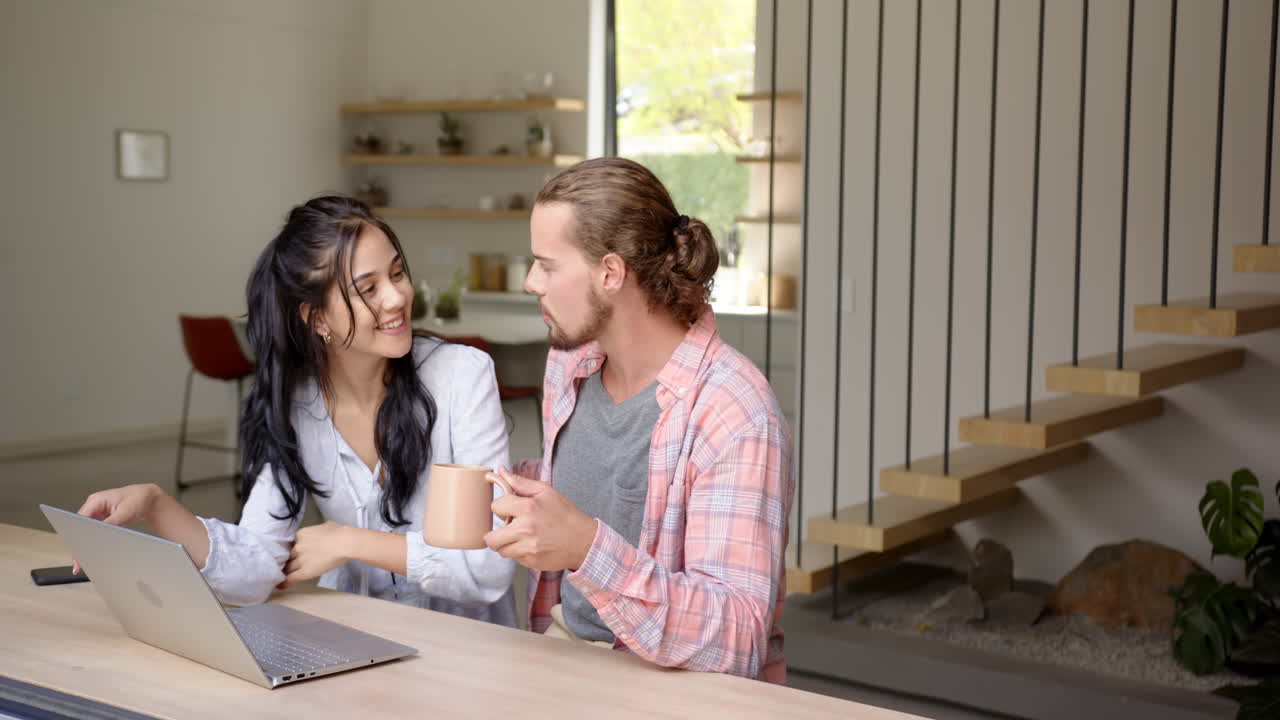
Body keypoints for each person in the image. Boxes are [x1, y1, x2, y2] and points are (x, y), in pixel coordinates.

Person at [76, 196, 516, 625]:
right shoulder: (297, 405)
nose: (396, 297)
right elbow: (253, 573)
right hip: (361, 637)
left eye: (397, 273)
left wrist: (347, 541)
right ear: (317, 319)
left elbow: (485, 571)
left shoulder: (462, 376)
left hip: (467, 645)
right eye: (367, 288)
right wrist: (155, 505)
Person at [483, 158, 795, 681]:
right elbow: (604, 478)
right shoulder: (571, 361)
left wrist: (585, 546)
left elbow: (738, 637)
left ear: (610, 272)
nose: (532, 281)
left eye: (548, 264)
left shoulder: (735, 411)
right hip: (561, 659)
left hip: (668, 689)